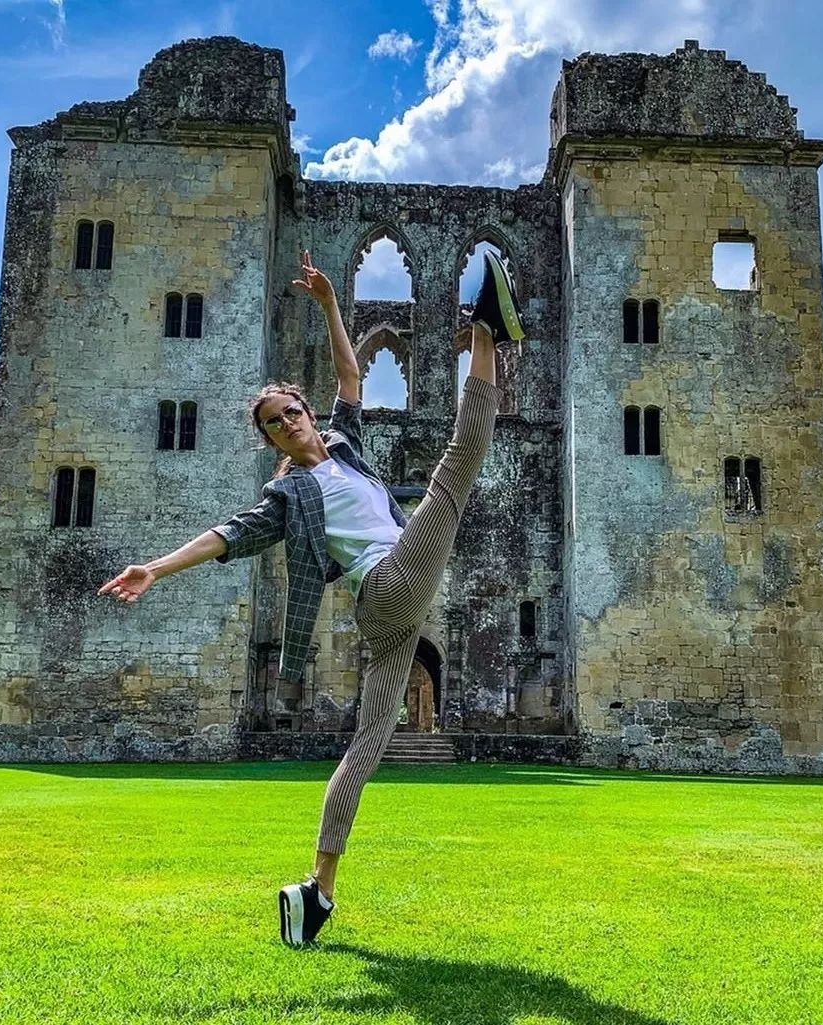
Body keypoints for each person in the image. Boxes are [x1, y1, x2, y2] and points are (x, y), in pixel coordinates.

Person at [97, 247, 526, 946]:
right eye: (275, 421)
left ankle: (316, 892)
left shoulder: (345, 443)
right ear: (269, 437)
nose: (290, 421)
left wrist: (330, 305)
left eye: (293, 408)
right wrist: (155, 566)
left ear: (305, 409)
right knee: (454, 474)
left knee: (364, 748)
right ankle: (484, 329)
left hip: (386, 618)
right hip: (389, 584)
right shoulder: (286, 494)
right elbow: (225, 535)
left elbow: (351, 375)